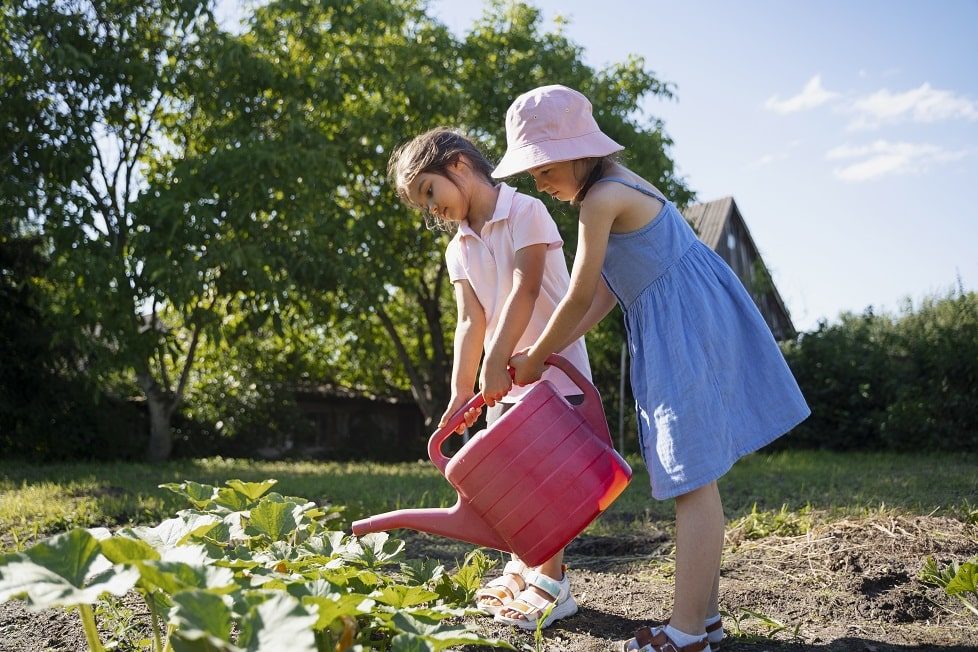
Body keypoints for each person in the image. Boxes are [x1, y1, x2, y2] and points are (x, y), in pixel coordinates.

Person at [496, 85, 810, 650]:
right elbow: (603, 298)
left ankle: (687, 631)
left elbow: (577, 293)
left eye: (541, 169)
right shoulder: (618, 190)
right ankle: (705, 622)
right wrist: (546, 353)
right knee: (694, 475)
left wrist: (538, 353)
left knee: (690, 479)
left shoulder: (602, 199)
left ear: (574, 151)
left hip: (684, 328)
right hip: (681, 323)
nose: (539, 184)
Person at [387, 127, 592, 630]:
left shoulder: (526, 211)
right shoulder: (459, 246)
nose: (431, 210)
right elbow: (468, 321)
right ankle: (523, 567)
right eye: (423, 206)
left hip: (547, 373)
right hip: (499, 384)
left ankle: (553, 583)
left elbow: (525, 289)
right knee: (511, 484)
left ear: (458, 166)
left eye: (430, 193)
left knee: (546, 485)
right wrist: (462, 391)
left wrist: (495, 361)